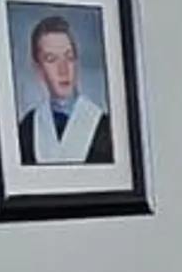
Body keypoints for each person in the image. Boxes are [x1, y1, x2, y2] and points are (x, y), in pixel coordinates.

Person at [16, 13, 114, 167]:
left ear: (76, 62)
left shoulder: (104, 127)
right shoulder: (27, 129)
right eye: (51, 59)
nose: (63, 70)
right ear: (39, 69)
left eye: (69, 57)